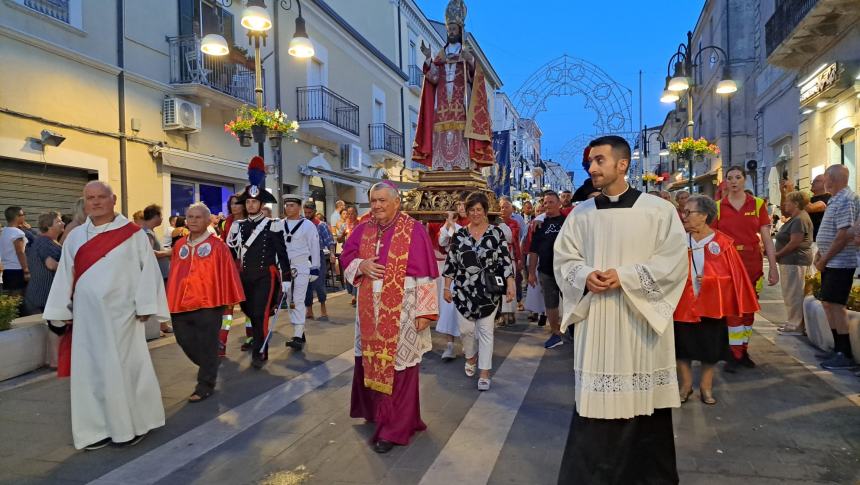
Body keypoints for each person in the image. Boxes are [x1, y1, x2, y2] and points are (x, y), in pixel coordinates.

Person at [554, 135, 688, 483]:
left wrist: (625, 277)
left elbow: (673, 263)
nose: (592, 167)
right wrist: (585, 276)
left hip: (639, 321)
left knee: (646, 409)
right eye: (590, 162)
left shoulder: (659, 211)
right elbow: (564, 259)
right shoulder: (581, 214)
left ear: (622, 164)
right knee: (595, 409)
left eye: (599, 160)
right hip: (598, 319)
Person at [43, 181, 169, 450]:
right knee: (90, 372)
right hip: (86, 317)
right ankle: (95, 429)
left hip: (123, 316)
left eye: (102, 197)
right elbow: (66, 273)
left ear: (113, 200)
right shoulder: (75, 237)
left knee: (123, 370)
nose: (96, 202)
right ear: (84, 202)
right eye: (90, 198)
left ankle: (132, 426)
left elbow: (148, 271)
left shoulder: (133, 234)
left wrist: (146, 306)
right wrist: (60, 310)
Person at [341, 181, 439, 454]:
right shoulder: (363, 228)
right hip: (370, 313)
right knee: (371, 364)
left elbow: (427, 274)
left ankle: (395, 429)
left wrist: (426, 312)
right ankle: (378, 415)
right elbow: (346, 258)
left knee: (401, 369)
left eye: (383, 200)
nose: (377, 206)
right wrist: (362, 264)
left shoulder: (414, 230)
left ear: (397, 202)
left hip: (404, 312)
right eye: (373, 201)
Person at [674, 196, 759, 406]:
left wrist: (713, 280)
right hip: (683, 304)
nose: (683, 216)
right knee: (681, 348)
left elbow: (734, 278)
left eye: (688, 212)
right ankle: (685, 386)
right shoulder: (678, 241)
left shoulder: (722, 243)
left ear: (703, 216)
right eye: (683, 212)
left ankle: (706, 387)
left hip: (711, 306)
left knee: (709, 350)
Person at [166, 203, 244, 403]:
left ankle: (205, 385)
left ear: (208, 221)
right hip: (181, 303)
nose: (192, 220)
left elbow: (227, 273)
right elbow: (175, 274)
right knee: (184, 340)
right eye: (190, 217)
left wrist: (227, 300)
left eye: (197, 217)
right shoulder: (180, 245)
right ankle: (210, 363)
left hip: (209, 302)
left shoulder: (218, 246)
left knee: (208, 342)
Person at [443, 192, 515, 391]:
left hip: (488, 290)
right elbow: (451, 263)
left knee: (485, 331)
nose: (475, 213)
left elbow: (505, 260)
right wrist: (447, 287)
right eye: (471, 210)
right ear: (466, 212)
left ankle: (484, 372)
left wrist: (510, 284)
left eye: (479, 210)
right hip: (464, 290)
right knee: (466, 331)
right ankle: (470, 356)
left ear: (485, 211)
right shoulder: (460, 235)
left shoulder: (496, 233)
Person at [412, 0, 494, 171]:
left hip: (461, 103)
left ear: (460, 31)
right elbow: (433, 77)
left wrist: (470, 60)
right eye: (449, 30)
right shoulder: (440, 56)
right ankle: (441, 165)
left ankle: (462, 164)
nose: (450, 32)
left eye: (454, 30)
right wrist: (428, 58)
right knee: (441, 133)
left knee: (461, 132)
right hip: (441, 104)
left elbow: (474, 77)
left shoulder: (465, 55)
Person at [226, 157, 291, 369]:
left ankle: (260, 351)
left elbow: (282, 254)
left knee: (260, 312)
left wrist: (287, 278)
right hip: (245, 275)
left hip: (266, 274)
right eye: (248, 201)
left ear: (261, 204)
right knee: (248, 310)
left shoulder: (273, 224)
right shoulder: (238, 226)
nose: (251, 204)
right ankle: (257, 342)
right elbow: (230, 253)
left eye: (254, 201)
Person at [712, 165, 779, 371]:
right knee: (733, 310)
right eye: (730, 178)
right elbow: (712, 240)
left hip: (752, 263)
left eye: (738, 177)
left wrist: (773, 267)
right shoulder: (718, 207)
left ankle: (743, 348)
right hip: (728, 263)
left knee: (749, 309)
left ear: (744, 180)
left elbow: (766, 238)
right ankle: (734, 353)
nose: (733, 181)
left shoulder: (757, 204)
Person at [813, 165, 859, 370]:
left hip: (840, 262)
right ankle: (837, 347)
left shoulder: (846, 199)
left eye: (824, 179)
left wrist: (824, 258)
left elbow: (843, 235)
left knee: (837, 306)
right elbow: (831, 232)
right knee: (828, 303)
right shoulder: (836, 199)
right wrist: (820, 253)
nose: (823, 182)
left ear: (832, 179)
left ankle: (844, 352)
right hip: (831, 261)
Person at [280, 193, 320, 351]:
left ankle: (297, 336)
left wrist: (315, 267)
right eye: (286, 205)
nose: (288, 208)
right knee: (289, 300)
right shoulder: (279, 224)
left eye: (292, 205)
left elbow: (314, 247)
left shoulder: (307, 225)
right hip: (284, 268)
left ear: (298, 207)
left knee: (298, 300)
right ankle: (299, 330)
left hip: (301, 267)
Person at [528, 191, 567, 349]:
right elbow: (533, 250)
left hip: (565, 269)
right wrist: (531, 272)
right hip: (546, 270)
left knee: (571, 301)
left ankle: (573, 330)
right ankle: (556, 333)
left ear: (559, 204)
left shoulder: (567, 221)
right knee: (550, 304)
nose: (548, 205)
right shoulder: (539, 224)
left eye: (551, 202)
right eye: (545, 203)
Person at [774, 191, 814, 335]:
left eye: (788, 202)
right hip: (791, 261)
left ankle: (795, 325)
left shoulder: (799, 219)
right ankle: (793, 321)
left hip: (795, 260)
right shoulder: (795, 218)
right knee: (792, 292)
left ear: (796, 204)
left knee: (794, 293)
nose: (785, 204)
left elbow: (794, 242)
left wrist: (777, 254)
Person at [219, 194, 251, 356]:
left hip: (248, 270)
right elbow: (224, 245)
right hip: (229, 269)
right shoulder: (226, 222)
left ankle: (250, 338)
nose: (234, 206)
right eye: (232, 204)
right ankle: (221, 343)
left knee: (248, 307)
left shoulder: (251, 222)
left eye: (237, 203)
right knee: (227, 307)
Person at [23, 212, 64, 316]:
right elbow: (51, 265)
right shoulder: (44, 242)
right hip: (42, 299)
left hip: (44, 297)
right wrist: (74, 267)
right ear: (48, 226)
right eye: (58, 221)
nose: (63, 223)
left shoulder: (48, 241)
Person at [141, 205, 173, 335]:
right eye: (160, 215)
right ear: (155, 216)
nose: (162, 218)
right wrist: (167, 253)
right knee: (159, 299)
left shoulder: (149, 232)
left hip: (160, 271)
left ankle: (162, 325)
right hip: (157, 272)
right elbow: (149, 253)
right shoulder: (147, 233)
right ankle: (159, 327)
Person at [305, 201, 335, 322]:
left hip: (318, 255)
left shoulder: (321, 225)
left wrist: (332, 253)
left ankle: (323, 309)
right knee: (306, 284)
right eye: (305, 212)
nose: (307, 214)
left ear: (314, 212)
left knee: (319, 282)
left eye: (309, 212)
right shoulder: (302, 224)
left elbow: (330, 240)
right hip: (305, 257)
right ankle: (309, 310)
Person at [498, 196, 522, 326]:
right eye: (501, 207)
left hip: (509, 258)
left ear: (512, 209)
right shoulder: (493, 222)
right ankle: (501, 314)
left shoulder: (514, 223)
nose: (503, 209)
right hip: (496, 259)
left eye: (506, 207)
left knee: (509, 286)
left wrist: (519, 259)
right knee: (499, 286)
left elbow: (512, 239)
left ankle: (510, 314)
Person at [0, 206, 30, 296]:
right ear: (17, 216)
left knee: (10, 301)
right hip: (17, 270)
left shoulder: (3, 231)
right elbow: (20, 252)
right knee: (17, 299)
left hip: (6, 269)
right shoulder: (17, 233)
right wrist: (26, 270)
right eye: (23, 214)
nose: (24, 216)